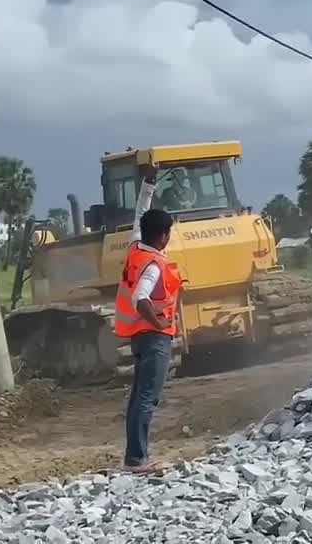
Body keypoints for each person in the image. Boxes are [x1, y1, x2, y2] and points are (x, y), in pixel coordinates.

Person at [112, 165, 183, 473]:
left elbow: (141, 212)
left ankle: (134, 456)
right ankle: (137, 460)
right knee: (147, 399)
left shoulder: (135, 248)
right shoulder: (154, 264)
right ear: (164, 236)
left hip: (138, 337)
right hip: (154, 338)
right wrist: (161, 324)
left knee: (138, 397)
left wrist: (148, 183)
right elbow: (140, 298)